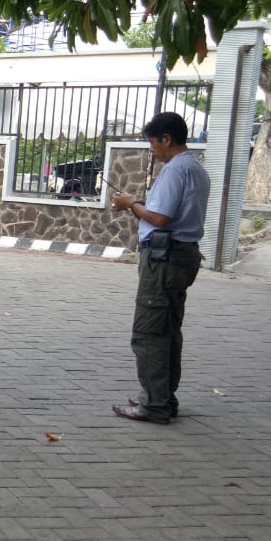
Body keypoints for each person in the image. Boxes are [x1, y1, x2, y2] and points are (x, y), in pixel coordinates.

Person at [109, 111, 209, 424]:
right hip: (183, 255)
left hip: (165, 258)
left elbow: (161, 218)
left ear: (166, 139)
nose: (152, 150)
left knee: (149, 332)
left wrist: (130, 204)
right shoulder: (196, 167)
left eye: (152, 143)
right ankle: (163, 396)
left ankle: (154, 404)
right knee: (168, 329)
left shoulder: (175, 169)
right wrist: (140, 205)